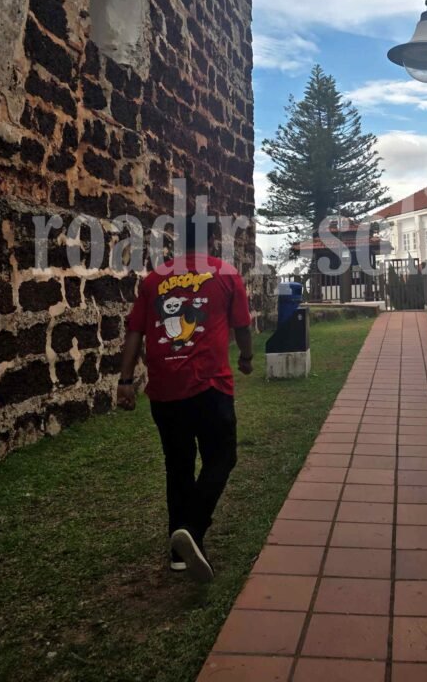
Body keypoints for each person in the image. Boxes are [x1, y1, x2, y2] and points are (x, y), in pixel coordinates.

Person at [116, 217, 253, 583]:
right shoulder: (225, 273)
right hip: (211, 388)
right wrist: (247, 358)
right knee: (222, 457)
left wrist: (126, 381)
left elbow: (135, 332)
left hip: (164, 392)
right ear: (210, 240)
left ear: (177, 242)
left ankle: (179, 552)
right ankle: (191, 528)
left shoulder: (153, 279)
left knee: (178, 466)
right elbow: (242, 325)